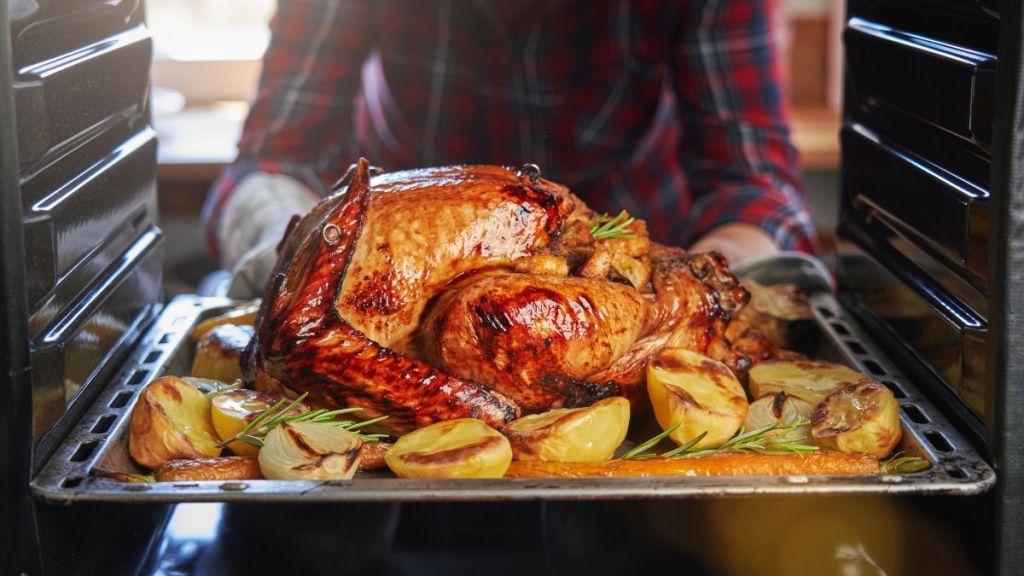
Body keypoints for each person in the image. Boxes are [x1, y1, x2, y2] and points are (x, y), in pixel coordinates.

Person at [204, 0, 819, 298]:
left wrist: (698, 290)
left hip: (636, 278)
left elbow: (752, 184)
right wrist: (290, 254)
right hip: (391, 276)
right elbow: (273, 160)